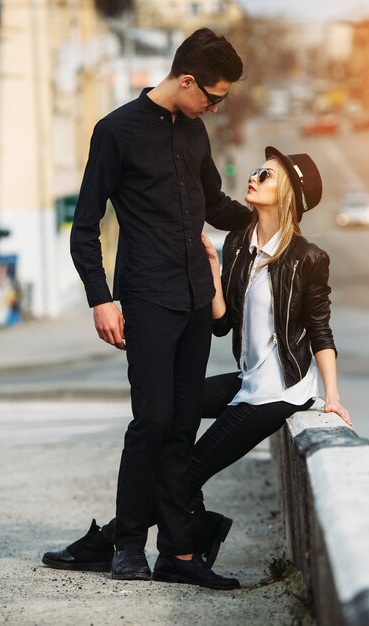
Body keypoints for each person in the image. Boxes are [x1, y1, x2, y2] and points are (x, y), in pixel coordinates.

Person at [43, 145, 351, 580]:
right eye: (255, 171)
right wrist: (212, 274)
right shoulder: (241, 245)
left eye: (266, 175)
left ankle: (114, 540)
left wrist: (331, 396)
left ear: (286, 194)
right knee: (165, 409)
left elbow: (321, 330)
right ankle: (185, 531)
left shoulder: (307, 258)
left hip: (277, 393)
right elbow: (224, 324)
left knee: (184, 473)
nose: (253, 177)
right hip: (247, 380)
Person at [62, 28, 252, 591]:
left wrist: (273, 217)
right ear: (187, 79)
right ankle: (126, 546)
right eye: (213, 97)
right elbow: (85, 226)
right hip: (145, 297)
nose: (215, 109)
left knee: (182, 426)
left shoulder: (195, 135)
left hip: (195, 297)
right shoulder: (115, 131)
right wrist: (101, 298)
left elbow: (215, 205)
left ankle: (178, 553)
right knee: (152, 420)